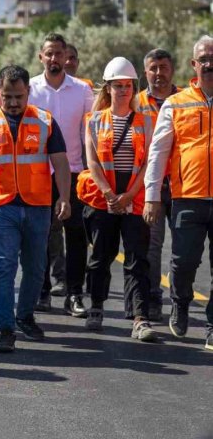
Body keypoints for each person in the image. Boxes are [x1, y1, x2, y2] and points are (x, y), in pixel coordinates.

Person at [0, 65, 71, 353]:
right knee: (3, 267)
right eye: (8, 96)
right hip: (0, 205)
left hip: (38, 205)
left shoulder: (45, 121)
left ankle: (25, 315)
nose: (13, 103)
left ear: (28, 92)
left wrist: (64, 197)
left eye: (19, 96)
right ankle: (5, 328)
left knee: (36, 268)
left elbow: (60, 161)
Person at [78, 57, 157, 342]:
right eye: (117, 86)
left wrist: (130, 195)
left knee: (137, 260)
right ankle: (96, 307)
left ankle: (139, 319)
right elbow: (92, 161)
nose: (123, 91)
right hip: (104, 199)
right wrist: (111, 195)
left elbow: (149, 162)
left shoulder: (148, 121)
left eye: (128, 86)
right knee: (100, 257)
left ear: (133, 88)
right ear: (107, 88)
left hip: (134, 198)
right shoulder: (94, 120)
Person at [144, 35, 213, 351]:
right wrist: (152, 195)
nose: (210, 63)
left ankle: (212, 323)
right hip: (188, 196)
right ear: (194, 64)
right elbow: (157, 152)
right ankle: (180, 302)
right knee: (184, 262)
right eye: (204, 58)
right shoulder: (176, 103)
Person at [29, 33, 94, 315]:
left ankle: (74, 294)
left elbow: (88, 133)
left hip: (76, 173)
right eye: (50, 53)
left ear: (66, 57)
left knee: (77, 237)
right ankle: (42, 291)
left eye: (59, 54)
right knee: (40, 236)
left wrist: (91, 171)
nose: (55, 59)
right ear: (40, 56)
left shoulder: (82, 90)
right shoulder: (29, 88)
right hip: (39, 174)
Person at [136, 48, 179, 321]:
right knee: (151, 245)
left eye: (163, 67)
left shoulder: (186, 99)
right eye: (153, 68)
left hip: (182, 184)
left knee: (183, 247)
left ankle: (180, 300)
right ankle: (153, 298)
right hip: (149, 186)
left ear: (172, 69)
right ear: (145, 71)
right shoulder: (135, 103)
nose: (158, 73)